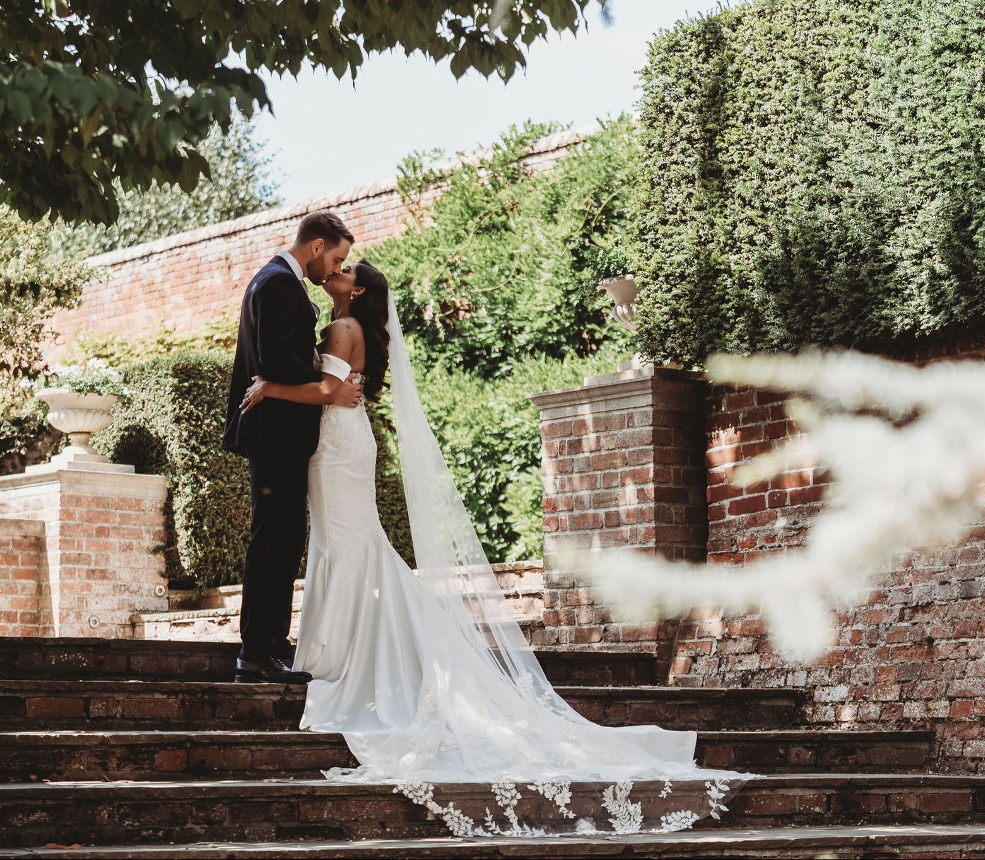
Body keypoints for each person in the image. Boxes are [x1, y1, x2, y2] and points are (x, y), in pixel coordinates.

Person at [238, 260, 744, 826]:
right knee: (349, 544)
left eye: (343, 269)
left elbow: (331, 389)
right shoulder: (343, 328)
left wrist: (271, 386)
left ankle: (338, 655)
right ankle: (349, 648)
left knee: (346, 544)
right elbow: (341, 387)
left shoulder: (341, 330)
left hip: (337, 445)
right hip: (344, 443)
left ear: (356, 290)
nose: (332, 271)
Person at [222, 211, 362, 684]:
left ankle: (266, 649)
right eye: (338, 257)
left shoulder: (278, 279)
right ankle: (259, 653)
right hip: (275, 433)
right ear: (318, 246)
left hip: (279, 433)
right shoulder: (279, 283)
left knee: (281, 542)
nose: (336, 267)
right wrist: (327, 384)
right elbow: (275, 357)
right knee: (274, 543)